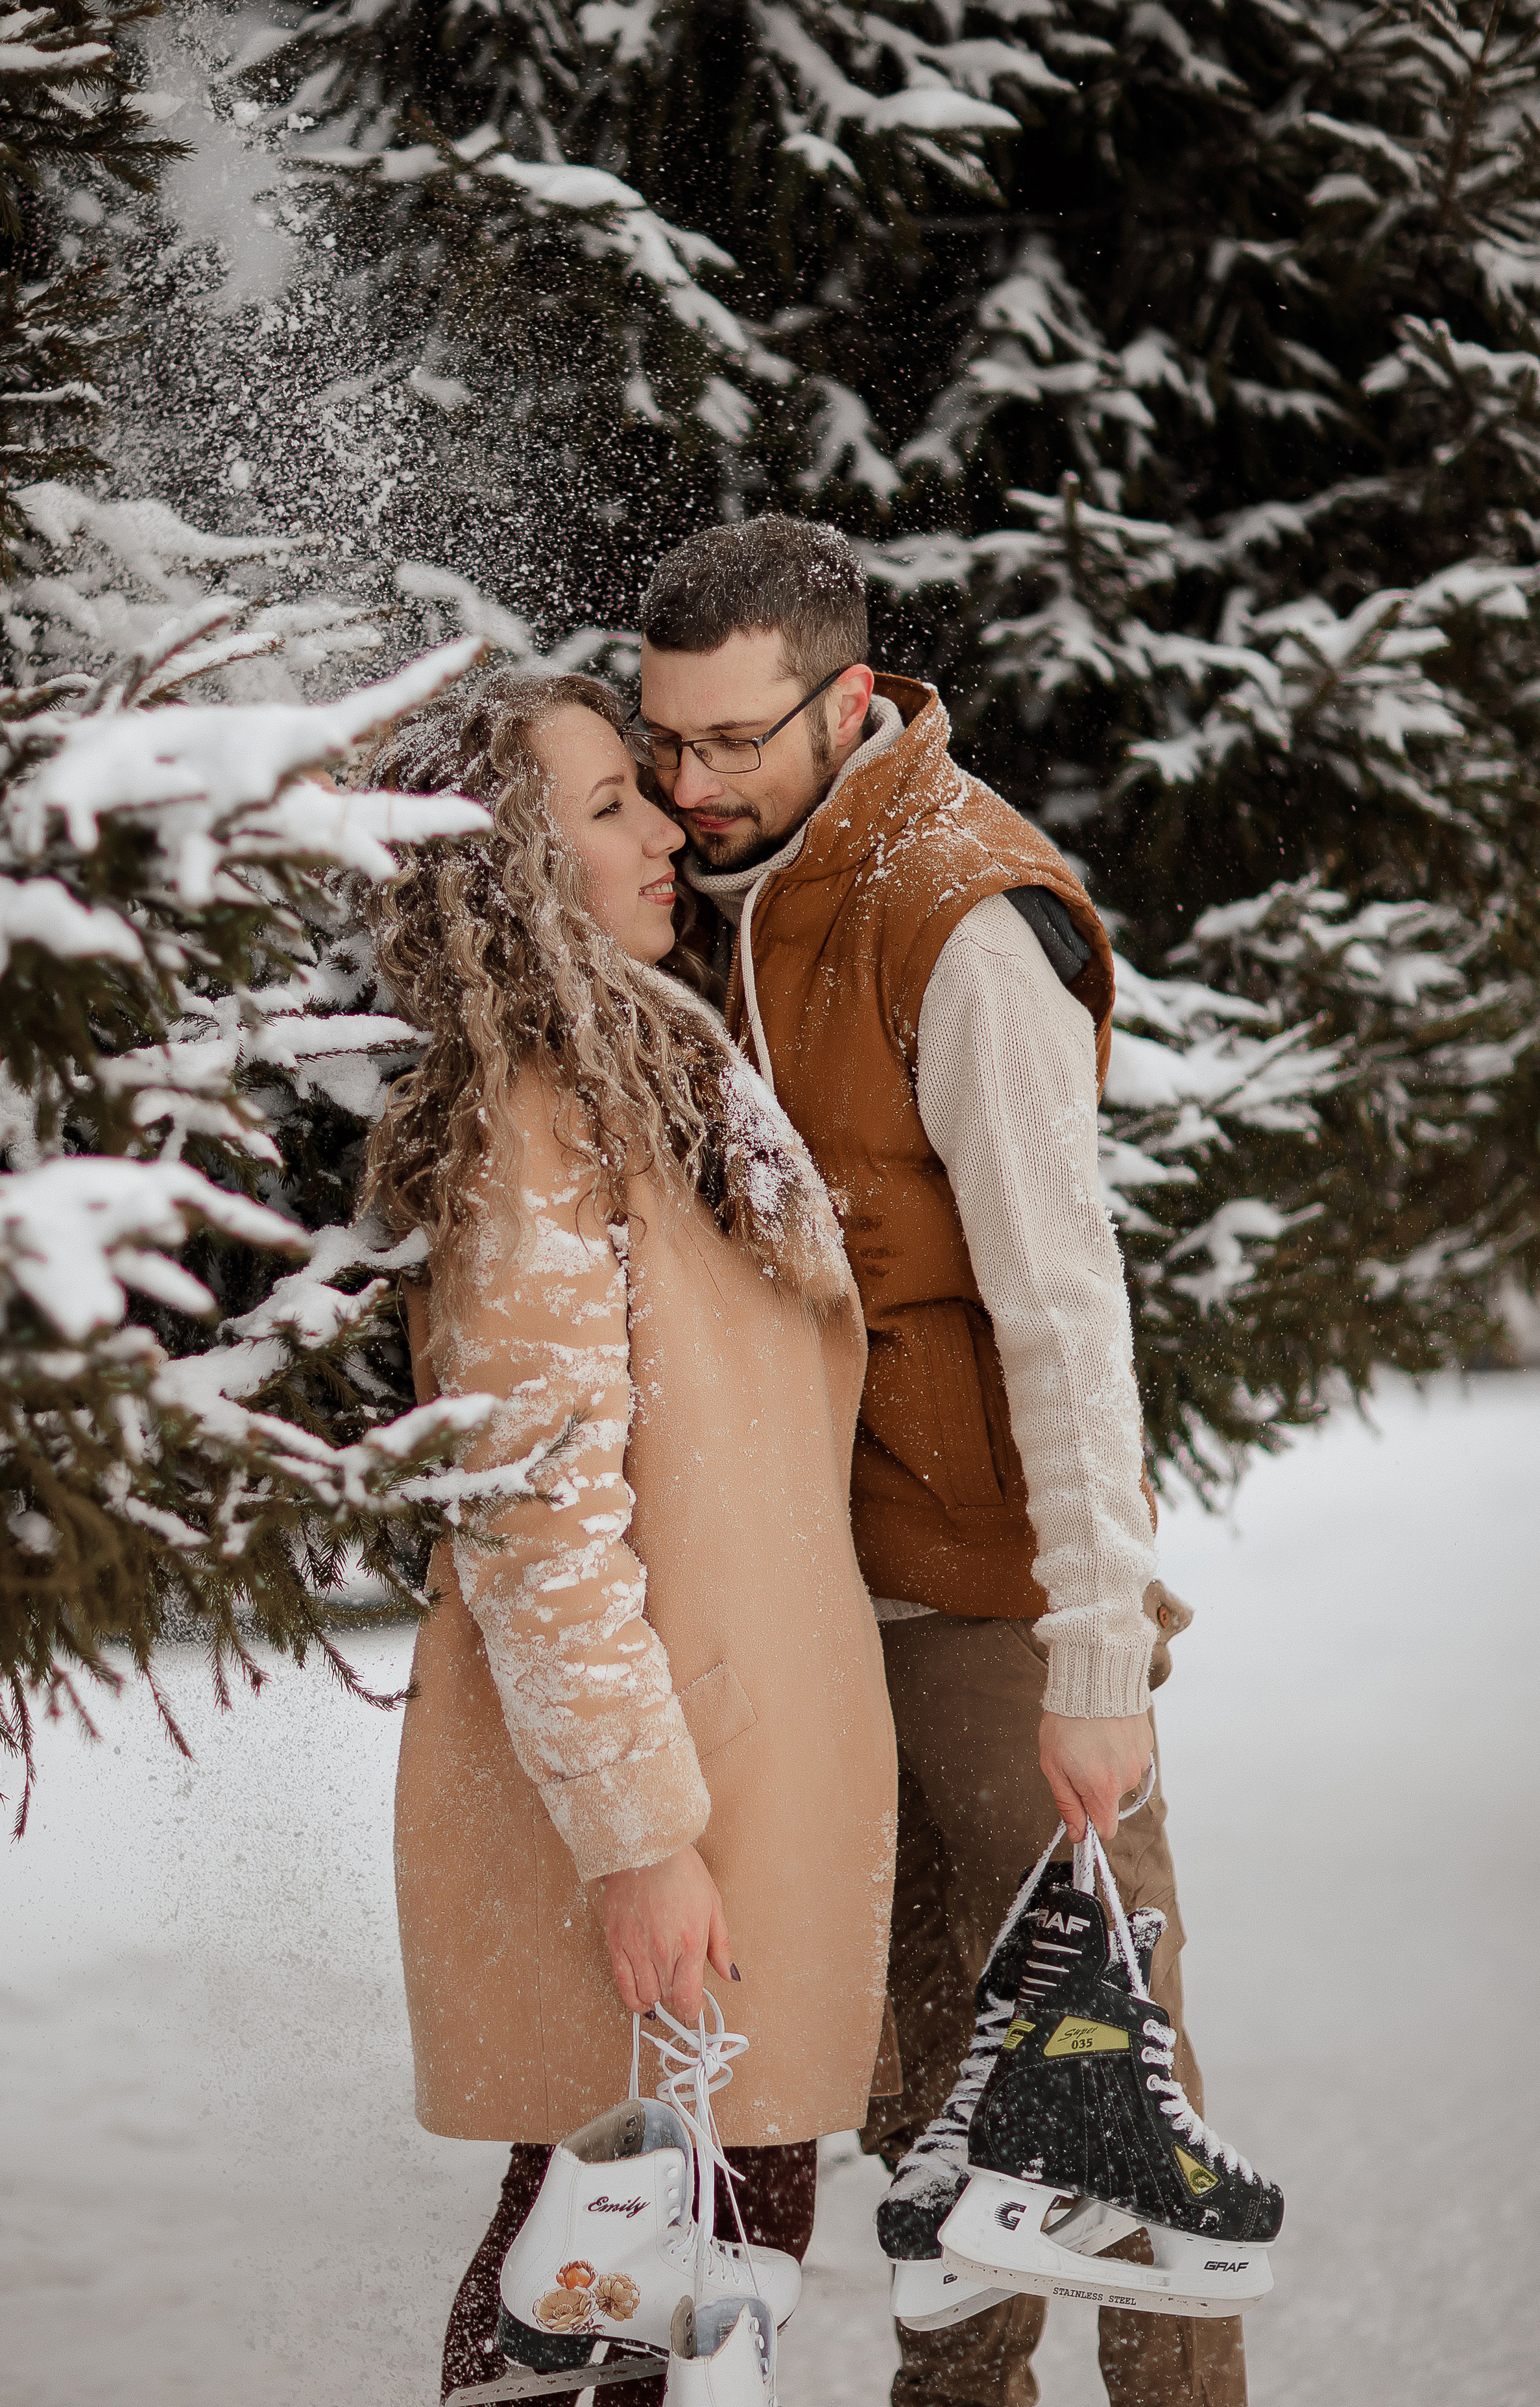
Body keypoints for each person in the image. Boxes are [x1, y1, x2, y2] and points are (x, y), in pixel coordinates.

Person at [634, 518, 1247, 2407]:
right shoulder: (742, 882)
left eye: (737, 741)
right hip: (824, 1607)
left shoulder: (964, 914)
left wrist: (1093, 1655)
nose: (690, 785)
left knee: (1100, 2099)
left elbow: (1066, 1308)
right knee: (926, 2105)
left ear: (850, 695)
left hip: (981, 1605)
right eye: (667, 741)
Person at [360, 670, 897, 2407]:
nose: (668, 826)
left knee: (662, 2255)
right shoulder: (535, 1112)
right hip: (674, 1806)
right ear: (511, 870)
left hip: (738, 1773)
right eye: (609, 807)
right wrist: (639, 1839)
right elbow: (538, 1518)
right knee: (615, 2257)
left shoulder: (643, 1057)